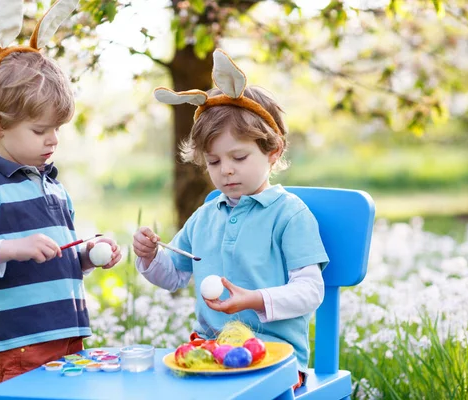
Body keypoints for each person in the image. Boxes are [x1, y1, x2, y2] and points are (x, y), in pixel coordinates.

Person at [0, 1, 121, 385]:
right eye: (40, 131)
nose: (53, 140)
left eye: (57, 128)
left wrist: (88, 254)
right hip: (17, 341)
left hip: (67, 333)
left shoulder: (53, 185)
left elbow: (57, 259)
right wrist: (12, 248)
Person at [132, 49, 329, 389]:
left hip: (277, 358)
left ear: (273, 151)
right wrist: (150, 257)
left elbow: (310, 292)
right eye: (213, 161)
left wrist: (255, 299)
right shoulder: (205, 215)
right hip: (210, 353)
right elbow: (174, 277)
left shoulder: (289, 215)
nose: (226, 170)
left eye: (239, 156)